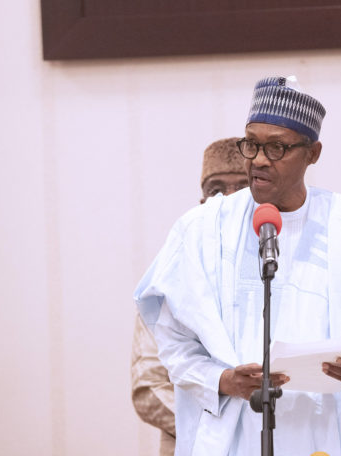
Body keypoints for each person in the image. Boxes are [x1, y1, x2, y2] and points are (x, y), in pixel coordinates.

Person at [135, 76, 341, 456]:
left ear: (313, 153)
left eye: (276, 148)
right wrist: (222, 380)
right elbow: (174, 343)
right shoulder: (201, 230)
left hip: (331, 435)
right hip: (235, 437)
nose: (258, 159)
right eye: (251, 144)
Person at [130, 138, 249, 456]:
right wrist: (223, 422)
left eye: (244, 187)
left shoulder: (281, 271)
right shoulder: (173, 275)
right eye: (217, 190)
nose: (229, 200)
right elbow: (148, 388)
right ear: (202, 202)